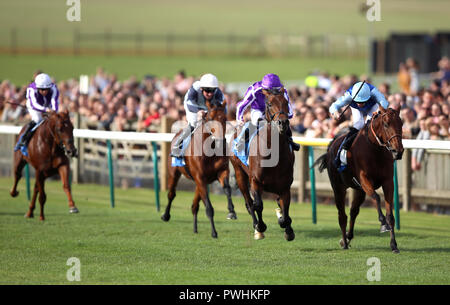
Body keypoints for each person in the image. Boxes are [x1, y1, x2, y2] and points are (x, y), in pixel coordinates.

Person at [329, 81, 389, 171]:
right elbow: (333, 106)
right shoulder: (349, 95)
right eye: (357, 101)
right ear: (353, 98)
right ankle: (341, 155)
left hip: (372, 107)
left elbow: (384, 103)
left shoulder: (373, 91)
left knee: (369, 124)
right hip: (356, 109)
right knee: (358, 125)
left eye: (363, 101)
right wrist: (336, 113)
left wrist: (378, 111)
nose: (360, 104)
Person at [235, 73, 300, 151]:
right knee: (256, 122)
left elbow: (288, 106)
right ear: (264, 89)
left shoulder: (282, 90)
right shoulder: (254, 89)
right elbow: (241, 105)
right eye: (270, 91)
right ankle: (240, 141)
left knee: (284, 123)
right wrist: (239, 119)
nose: (273, 93)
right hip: (258, 109)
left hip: (274, 110)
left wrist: (287, 116)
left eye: (276, 90)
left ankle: (290, 141)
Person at [171, 73, 225, 157]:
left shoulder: (218, 93)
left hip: (208, 108)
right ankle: (177, 146)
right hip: (193, 106)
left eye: (212, 90)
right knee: (193, 123)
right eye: (207, 90)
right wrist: (198, 111)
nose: (210, 93)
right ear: (201, 88)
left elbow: (223, 108)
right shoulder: (194, 88)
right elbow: (189, 104)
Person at [15, 73, 59, 153]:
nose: (45, 92)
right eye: (42, 89)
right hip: (34, 105)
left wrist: (53, 111)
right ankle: (23, 139)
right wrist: (45, 110)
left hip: (47, 103)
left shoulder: (54, 88)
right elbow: (34, 104)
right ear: (37, 87)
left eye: (47, 89)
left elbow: (54, 102)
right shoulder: (31, 89)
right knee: (37, 119)